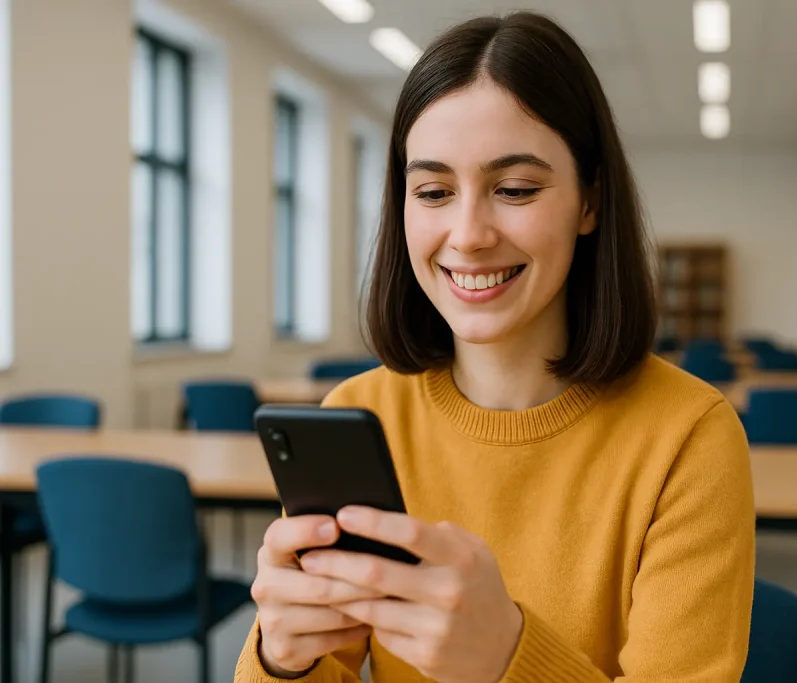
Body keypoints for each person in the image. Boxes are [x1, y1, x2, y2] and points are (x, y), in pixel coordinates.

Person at [236, 11, 754, 683]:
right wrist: (283, 658)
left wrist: (507, 657)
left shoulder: (690, 436)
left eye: (514, 189)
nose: (469, 233)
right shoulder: (358, 413)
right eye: (432, 191)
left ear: (590, 201)